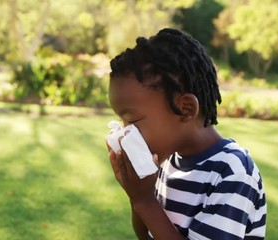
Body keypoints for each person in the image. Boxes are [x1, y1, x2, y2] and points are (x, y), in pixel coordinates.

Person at [106, 28, 266, 240]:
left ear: (186, 109)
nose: (126, 134)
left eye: (133, 121)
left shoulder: (232, 172)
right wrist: (135, 195)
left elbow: (147, 207)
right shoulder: (165, 162)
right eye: (122, 122)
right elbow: (146, 235)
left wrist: (143, 199)